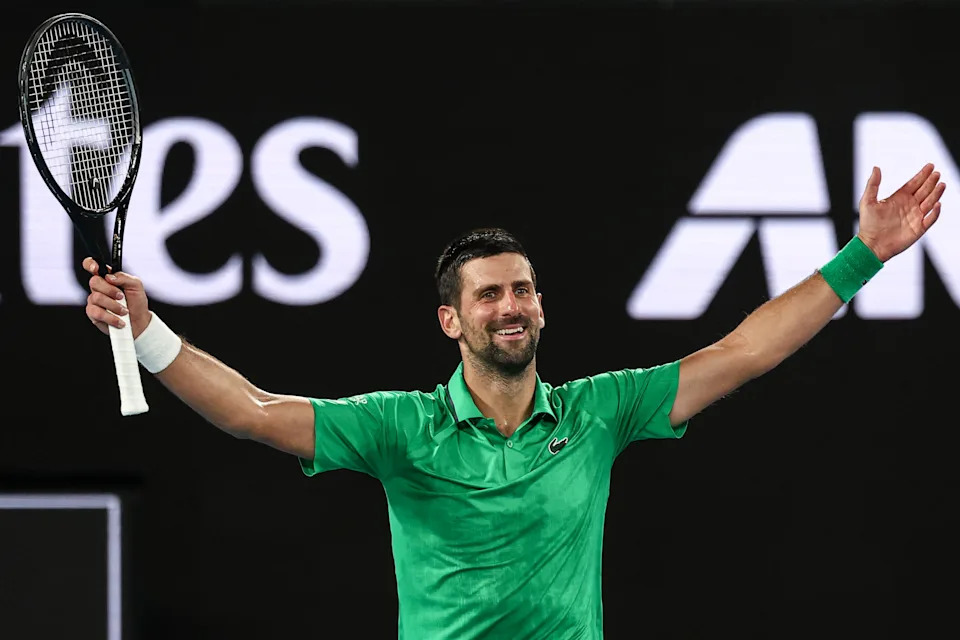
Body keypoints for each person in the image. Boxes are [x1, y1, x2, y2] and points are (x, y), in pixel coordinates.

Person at [83, 163, 945, 639]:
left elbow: (746, 350)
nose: (511, 306)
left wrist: (862, 256)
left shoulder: (600, 412)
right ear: (451, 318)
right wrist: (151, 331)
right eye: (490, 294)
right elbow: (251, 410)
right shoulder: (398, 427)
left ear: (540, 307)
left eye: (523, 291)